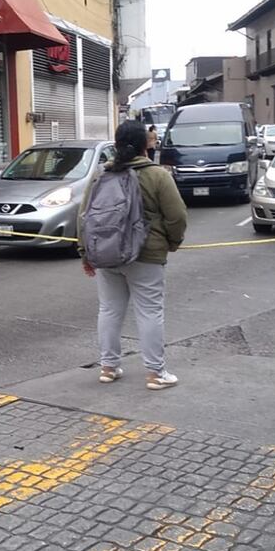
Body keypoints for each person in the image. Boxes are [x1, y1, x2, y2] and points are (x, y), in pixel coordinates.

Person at [79, 121, 188, 390]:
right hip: (146, 254)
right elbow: (177, 216)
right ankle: (155, 373)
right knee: (150, 311)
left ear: (115, 145)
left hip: (106, 253)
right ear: (145, 145)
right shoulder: (157, 175)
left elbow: (84, 218)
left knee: (109, 309)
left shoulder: (101, 175)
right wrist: (170, 243)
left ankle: (108, 367)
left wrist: (86, 253)